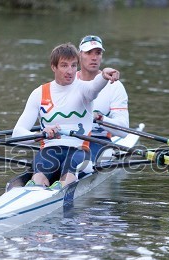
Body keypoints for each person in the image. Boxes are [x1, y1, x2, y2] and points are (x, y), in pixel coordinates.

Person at [12, 42, 120, 188]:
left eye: (74, 65)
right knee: (38, 174)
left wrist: (104, 75)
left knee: (70, 169)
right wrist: (40, 134)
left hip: (80, 151)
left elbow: (95, 87)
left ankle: (62, 188)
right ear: (53, 67)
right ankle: (36, 188)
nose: (70, 71)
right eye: (64, 65)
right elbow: (17, 135)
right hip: (50, 150)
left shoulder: (83, 89)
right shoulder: (39, 93)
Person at [77, 35, 130, 163]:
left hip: (99, 141)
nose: (94, 57)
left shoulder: (114, 86)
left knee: (78, 164)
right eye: (88, 52)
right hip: (69, 138)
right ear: (80, 55)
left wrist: (101, 118)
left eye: (98, 53)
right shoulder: (69, 81)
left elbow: (124, 131)